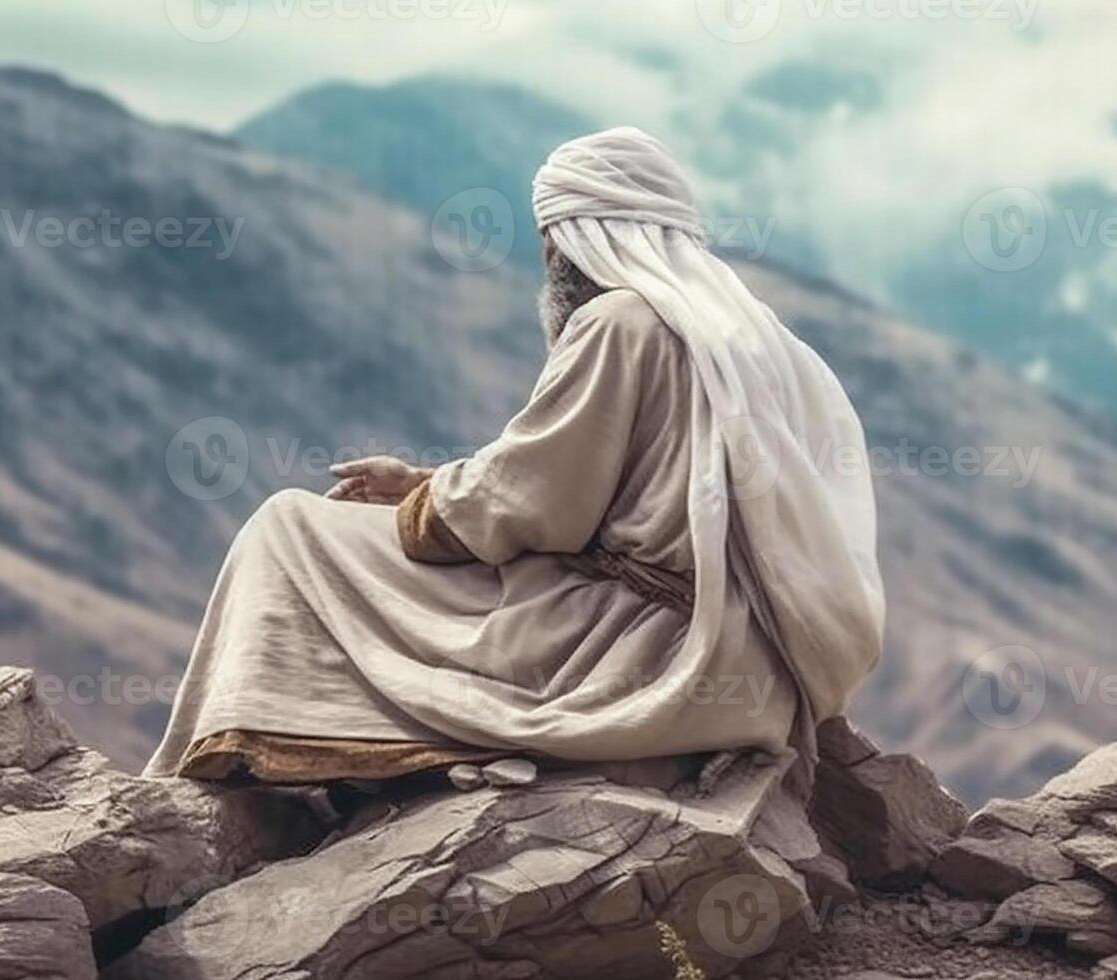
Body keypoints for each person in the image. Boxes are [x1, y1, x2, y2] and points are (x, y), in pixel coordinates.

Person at [144, 127, 884, 787]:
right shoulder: (763, 341)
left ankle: (239, 758)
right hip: (745, 660)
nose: (547, 256)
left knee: (291, 529)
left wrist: (424, 505)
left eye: (548, 235)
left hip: (639, 655)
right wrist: (427, 482)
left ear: (569, 236)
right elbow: (584, 480)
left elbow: (538, 504)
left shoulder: (618, 322)